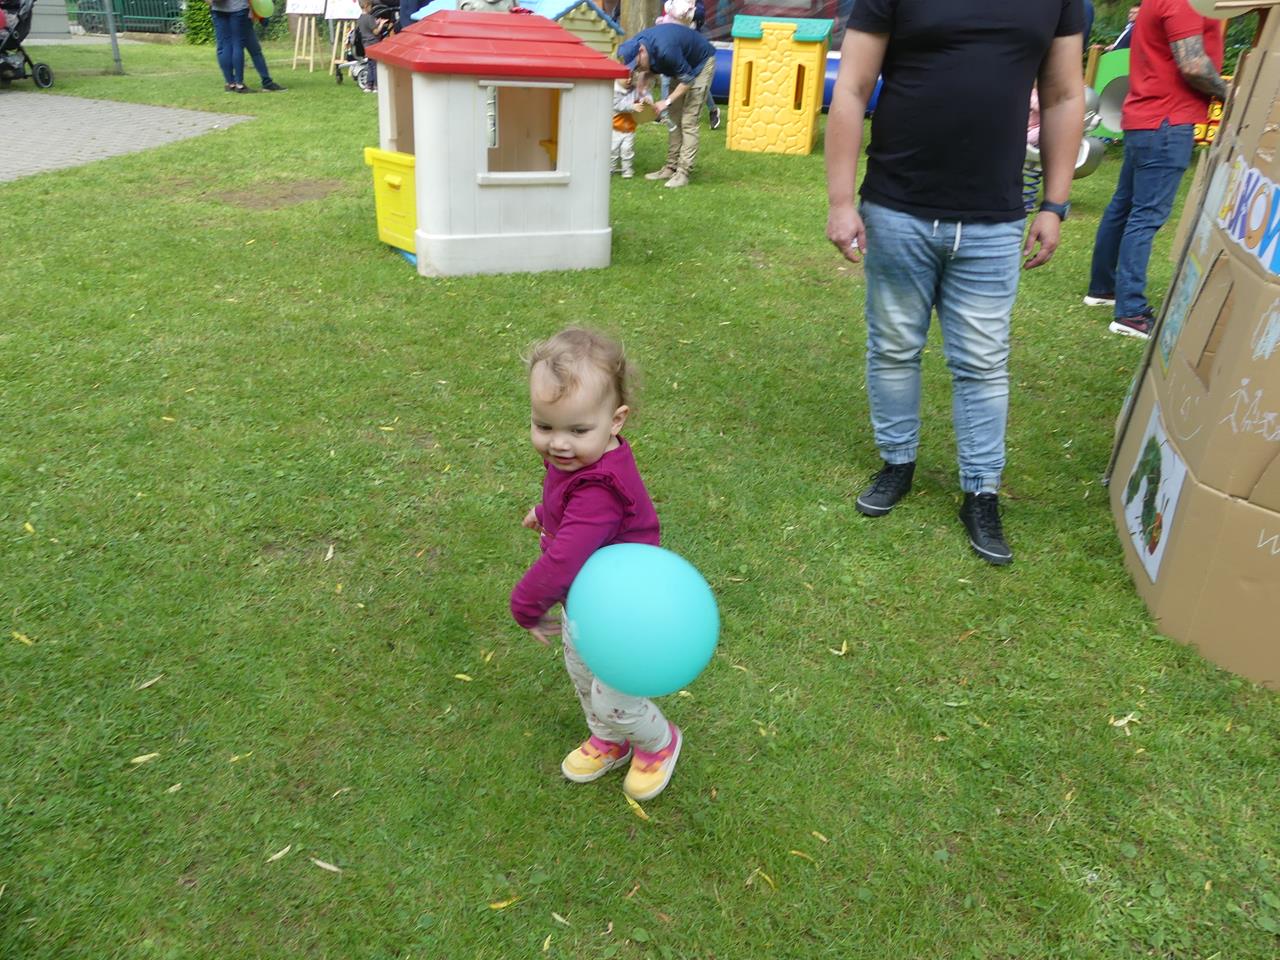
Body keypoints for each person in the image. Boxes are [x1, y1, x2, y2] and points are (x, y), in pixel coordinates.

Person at [825, 0, 1085, 566]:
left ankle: (981, 493)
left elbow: (1065, 95)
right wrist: (841, 201)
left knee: (983, 363)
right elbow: (852, 85)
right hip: (897, 208)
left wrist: (1055, 203)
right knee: (894, 347)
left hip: (995, 218)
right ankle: (898, 463)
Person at [510, 328, 682, 802]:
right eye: (544, 426)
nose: (559, 444)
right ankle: (609, 741)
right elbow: (568, 503)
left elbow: (566, 556)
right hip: (588, 602)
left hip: (623, 612)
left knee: (615, 697)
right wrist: (545, 513)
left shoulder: (600, 489)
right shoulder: (579, 465)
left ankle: (658, 743)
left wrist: (526, 604)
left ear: (616, 421)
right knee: (584, 676)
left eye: (577, 430)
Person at [1085, 0, 1224, 339]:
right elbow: (1193, 65)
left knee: (1124, 206)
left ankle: (1103, 288)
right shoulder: (1185, 3)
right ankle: (1130, 313)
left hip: (1146, 116)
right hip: (1167, 121)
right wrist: (1232, 94)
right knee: (1145, 216)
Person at [616, 22, 717, 189]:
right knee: (674, 118)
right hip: (680, 65)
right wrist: (644, 77)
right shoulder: (638, 44)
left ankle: (683, 173)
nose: (637, 69)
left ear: (642, 51)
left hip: (700, 64)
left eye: (637, 65)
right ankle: (671, 167)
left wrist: (666, 101)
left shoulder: (666, 50)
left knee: (688, 121)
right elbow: (652, 67)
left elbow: (688, 80)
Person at [241, 9, 286, 91]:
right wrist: (263, 18)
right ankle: (266, 82)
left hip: (226, 17)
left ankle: (232, 83)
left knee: (232, 51)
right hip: (243, 19)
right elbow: (256, 4)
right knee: (255, 53)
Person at [611, 74, 643, 178]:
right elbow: (617, 105)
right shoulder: (614, 90)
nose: (629, 80)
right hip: (615, 127)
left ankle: (627, 170)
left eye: (631, 77)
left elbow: (643, 97)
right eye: (626, 77)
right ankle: (611, 168)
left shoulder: (634, 90)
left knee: (627, 149)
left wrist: (645, 100)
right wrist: (632, 106)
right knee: (612, 150)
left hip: (629, 128)